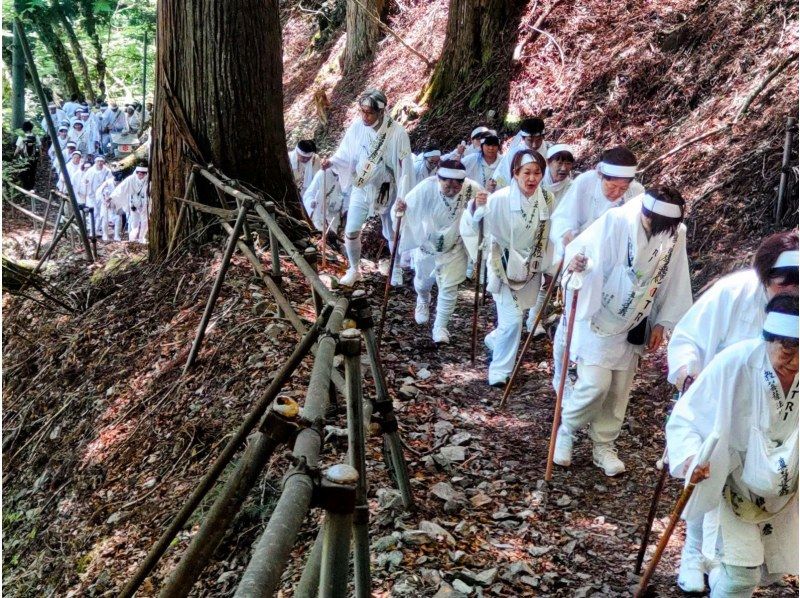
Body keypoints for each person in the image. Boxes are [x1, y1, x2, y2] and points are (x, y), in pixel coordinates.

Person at [665, 231, 799, 592]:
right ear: (765, 277)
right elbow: (689, 337)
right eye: (783, 281)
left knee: (758, 563)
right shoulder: (732, 294)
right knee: (706, 493)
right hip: (725, 419)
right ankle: (693, 557)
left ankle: (724, 568)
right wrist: (688, 372)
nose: (791, 289)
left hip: (780, 457)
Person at [554, 186, 692, 476]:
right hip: (597, 315)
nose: (662, 231)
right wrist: (578, 266)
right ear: (646, 213)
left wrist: (662, 322)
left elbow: (675, 276)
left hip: (635, 317)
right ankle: (567, 430)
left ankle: (604, 445)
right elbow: (581, 257)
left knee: (619, 389)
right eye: (657, 225)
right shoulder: (614, 221)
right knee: (595, 385)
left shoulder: (675, 232)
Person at [465, 149, 555, 387]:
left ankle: (495, 339)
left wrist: (549, 267)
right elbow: (477, 225)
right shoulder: (501, 198)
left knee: (517, 315)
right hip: (503, 263)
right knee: (514, 320)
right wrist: (476, 207)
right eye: (527, 172)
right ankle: (499, 371)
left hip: (531, 265)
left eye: (537, 173)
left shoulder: (547, 198)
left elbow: (550, 234)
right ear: (515, 173)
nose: (532, 178)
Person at [321, 89, 414, 287]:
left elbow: (405, 166)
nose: (365, 116)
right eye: (362, 111)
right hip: (362, 185)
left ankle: (396, 266)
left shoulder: (397, 133)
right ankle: (354, 269)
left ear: (381, 112)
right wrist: (332, 162)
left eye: (369, 113)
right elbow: (345, 152)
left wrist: (404, 194)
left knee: (392, 229)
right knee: (351, 230)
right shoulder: (357, 127)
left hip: (386, 187)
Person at [394, 160, 486, 344]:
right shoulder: (426, 188)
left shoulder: (472, 189)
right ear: (439, 179)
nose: (452, 190)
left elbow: (481, 215)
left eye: (456, 186)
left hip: (454, 246)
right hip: (428, 245)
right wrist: (401, 211)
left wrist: (479, 207)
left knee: (449, 287)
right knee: (423, 283)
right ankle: (423, 299)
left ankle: (440, 326)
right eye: (447, 185)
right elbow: (406, 210)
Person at [490, 118, 550, 189]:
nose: (534, 145)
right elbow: (502, 176)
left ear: (543, 137)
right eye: (530, 140)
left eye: (538, 140)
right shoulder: (514, 154)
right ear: (523, 138)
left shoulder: (551, 151)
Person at [302, 168, 348, 239]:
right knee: (317, 236)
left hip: (333, 216)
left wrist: (345, 210)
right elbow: (309, 193)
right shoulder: (322, 173)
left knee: (331, 239)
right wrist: (311, 201)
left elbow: (347, 197)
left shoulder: (346, 177)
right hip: (319, 212)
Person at [111, 165, 149, 243]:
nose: (140, 174)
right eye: (138, 173)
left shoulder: (148, 181)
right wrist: (111, 197)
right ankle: (132, 239)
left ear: (145, 173)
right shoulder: (131, 179)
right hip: (134, 205)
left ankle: (142, 238)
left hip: (145, 205)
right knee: (134, 223)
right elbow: (121, 188)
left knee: (145, 223)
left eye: (142, 173)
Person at [541, 143, 576, 209]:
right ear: (548, 162)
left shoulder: (572, 187)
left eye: (568, 163)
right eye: (559, 163)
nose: (563, 168)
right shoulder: (537, 181)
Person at [14, 121, 41, 190]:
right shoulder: (36, 136)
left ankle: (25, 189)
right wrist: (40, 157)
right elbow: (40, 147)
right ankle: (31, 189)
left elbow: (17, 149)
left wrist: (14, 156)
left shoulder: (21, 137)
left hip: (24, 158)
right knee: (32, 173)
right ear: (31, 128)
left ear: (24, 128)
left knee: (24, 173)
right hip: (33, 158)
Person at [96, 174, 121, 242]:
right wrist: (104, 201)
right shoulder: (107, 183)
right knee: (105, 219)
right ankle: (105, 235)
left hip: (115, 204)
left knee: (118, 218)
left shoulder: (121, 184)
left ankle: (116, 235)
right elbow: (99, 193)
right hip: (105, 203)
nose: (118, 183)